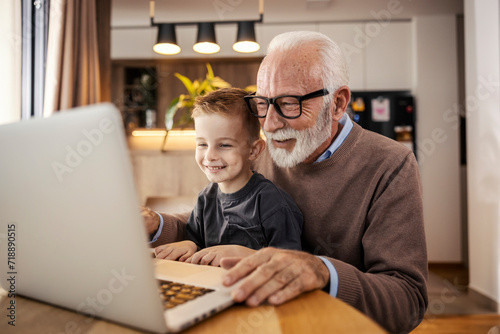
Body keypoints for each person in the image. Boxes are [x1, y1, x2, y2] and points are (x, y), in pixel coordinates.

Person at [143, 31, 428, 333]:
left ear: (338, 103)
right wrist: (157, 224)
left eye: (290, 103)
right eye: (263, 103)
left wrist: (323, 271)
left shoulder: (390, 165)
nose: (270, 124)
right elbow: (224, 215)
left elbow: (407, 301)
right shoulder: (263, 150)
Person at [151, 87, 303, 266]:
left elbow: (292, 262)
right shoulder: (205, 199)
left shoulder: (271, 202)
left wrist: (247, 254)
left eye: (224, 145)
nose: (209, 156)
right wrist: (189, 244)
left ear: (254, 150)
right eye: (202, 144)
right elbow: (196, 240)